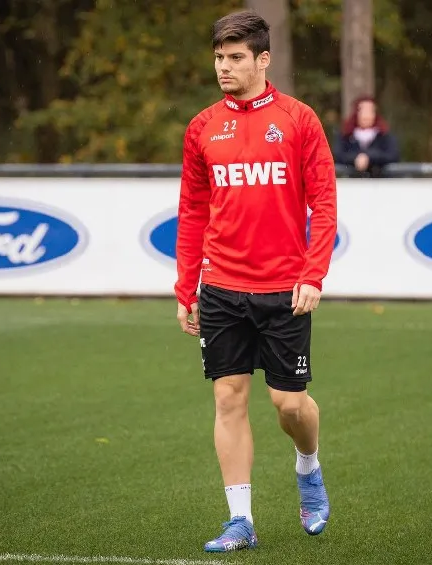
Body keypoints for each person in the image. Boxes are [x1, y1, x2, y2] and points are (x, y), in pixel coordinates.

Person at [173, 9, 338, 554]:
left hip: (285, 288)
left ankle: (308, 467)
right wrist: (185, 287)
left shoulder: (299, 120)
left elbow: (324, 204)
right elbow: (193, 210)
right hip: (220, 287)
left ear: (263, 60)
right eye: (219, 57)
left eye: (235, 57)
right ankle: (240, 520)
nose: (224, 67)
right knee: (228, 399)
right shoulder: (201, 127)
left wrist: (313, 273)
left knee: (289, 405)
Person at [332, 95, 400, 177]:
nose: (366, 115)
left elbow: (393, 156)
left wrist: (369, 158)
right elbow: (338, 155)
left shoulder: (385, 136)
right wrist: (355, 159)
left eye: (370, 111)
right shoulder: (345, 135)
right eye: (363, 111)